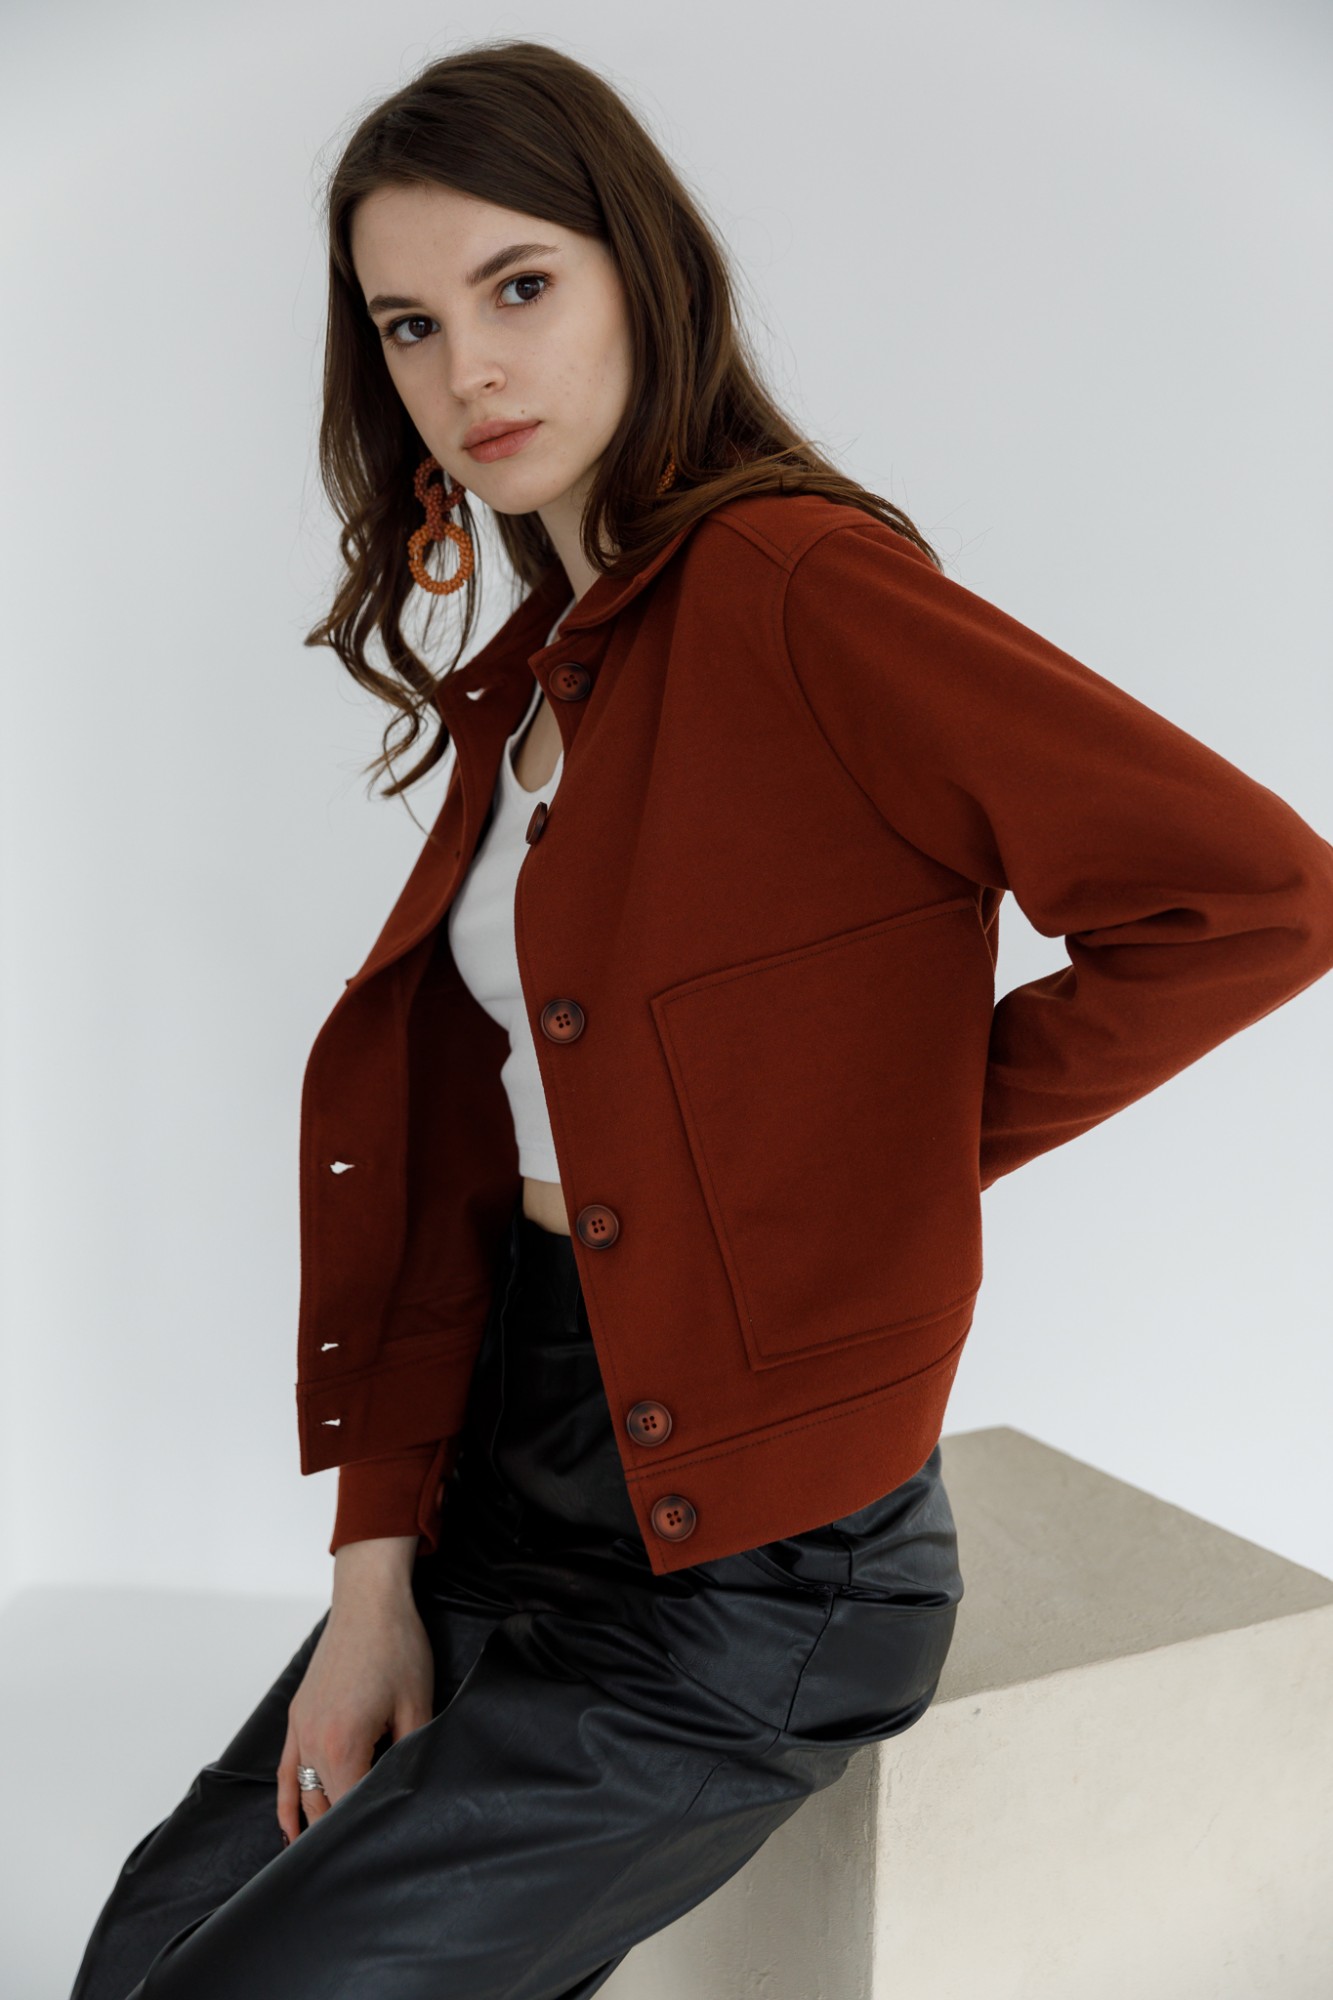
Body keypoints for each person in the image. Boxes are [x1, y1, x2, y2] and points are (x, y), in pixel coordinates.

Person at [70, 36, 1333, 2000]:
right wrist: (373, 1578)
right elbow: (463, 1171)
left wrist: (866, 1162)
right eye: (408, 324)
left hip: (753, 1584)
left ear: (641, 274)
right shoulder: (535, 679)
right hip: (499, 1487)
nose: (466, 369)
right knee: (140, 1959)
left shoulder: (795, 585)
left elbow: (1251, 898)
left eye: (518, 285)